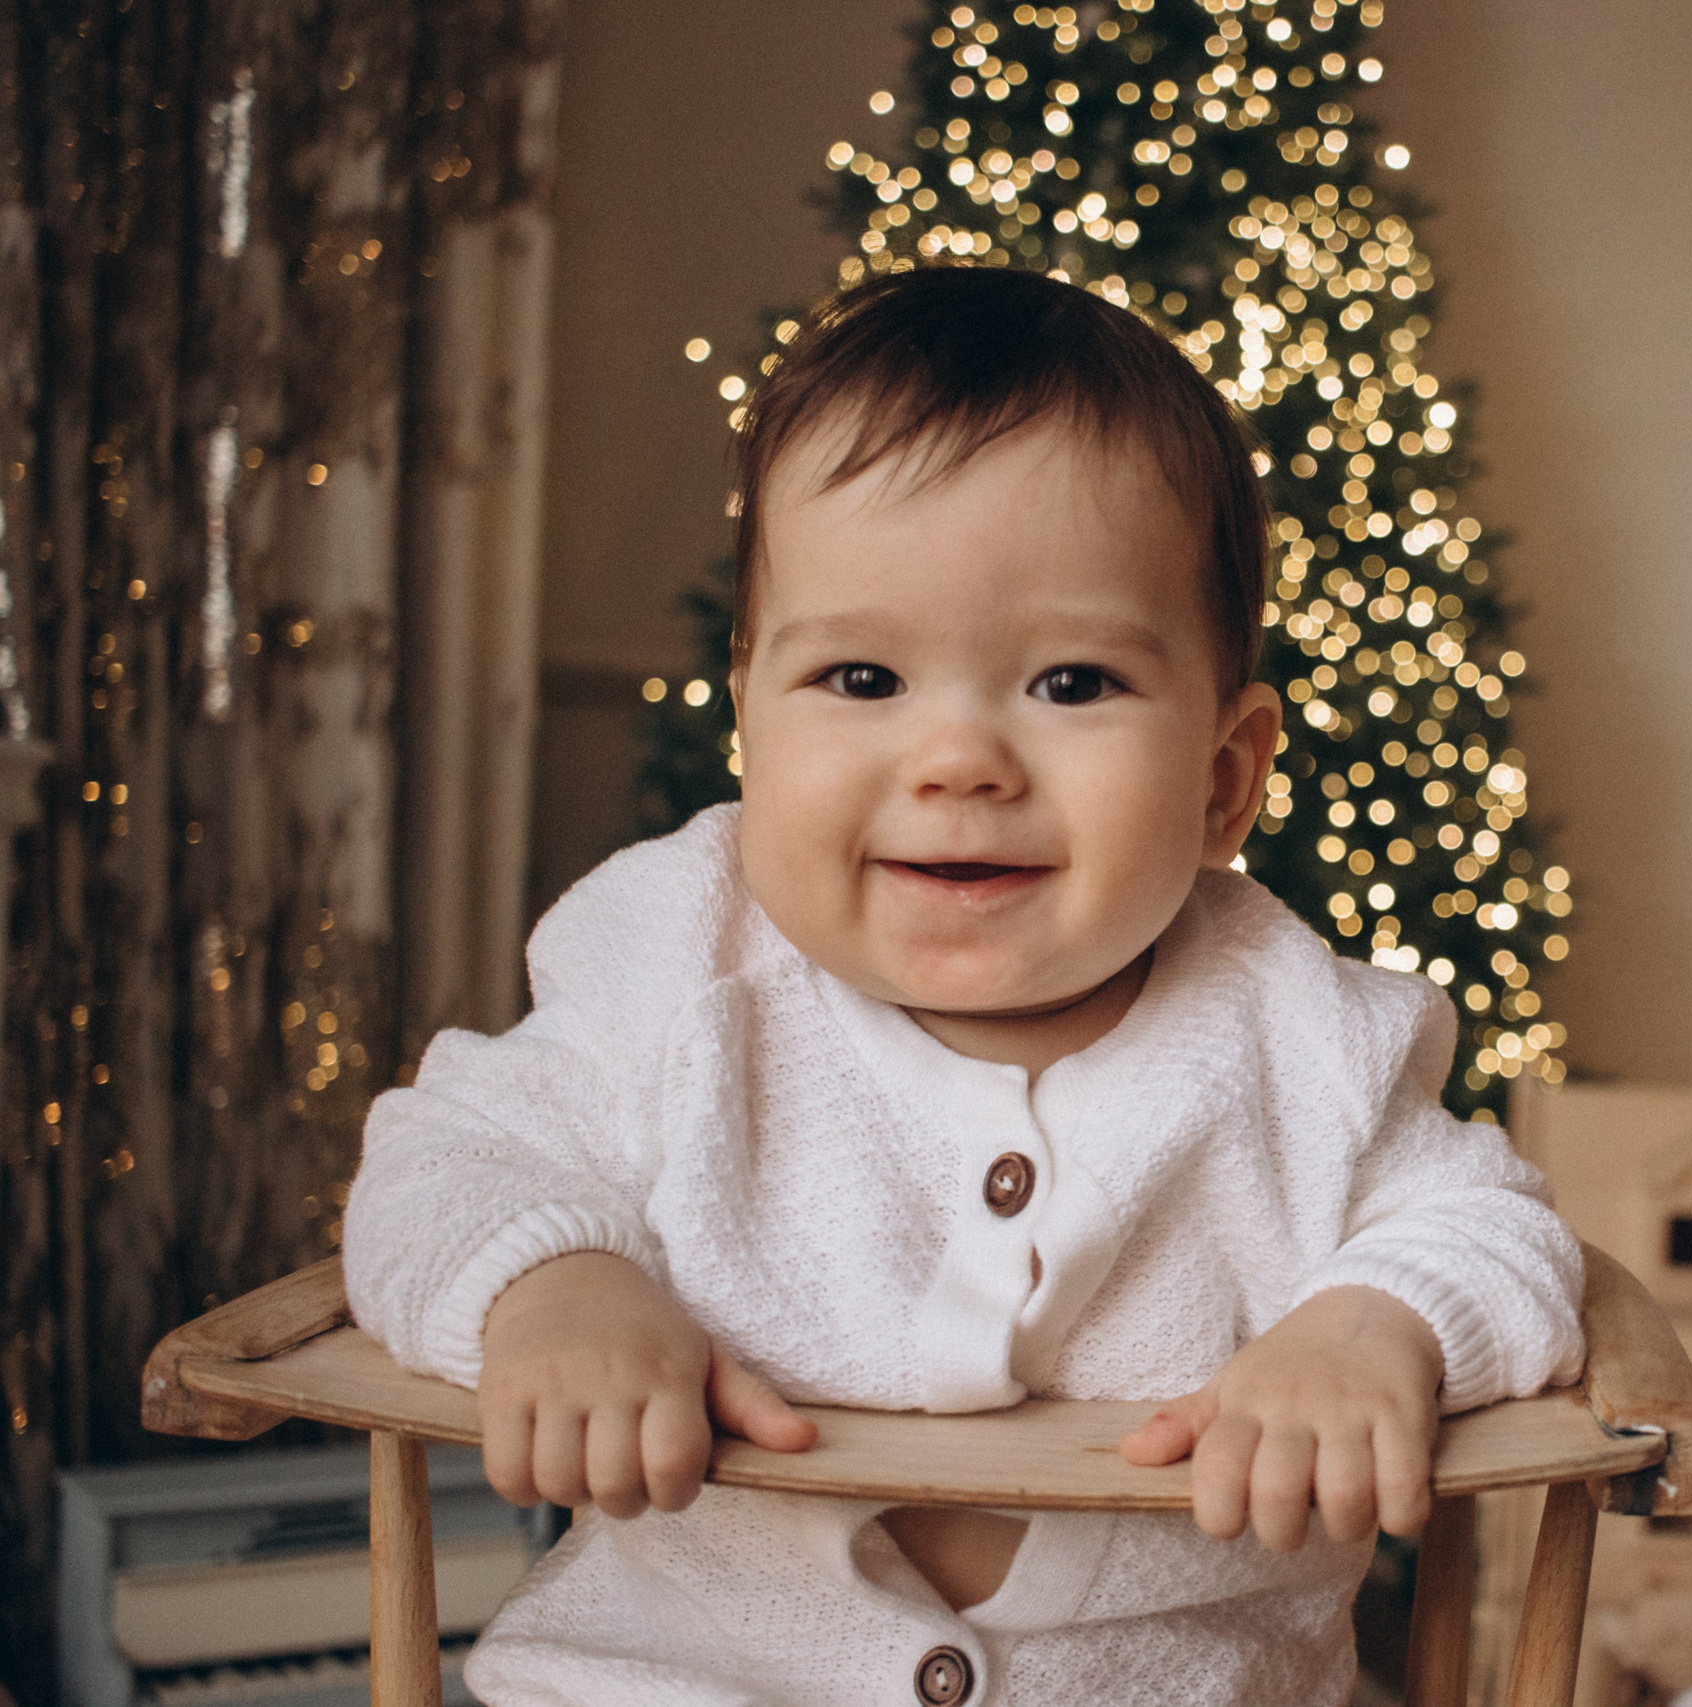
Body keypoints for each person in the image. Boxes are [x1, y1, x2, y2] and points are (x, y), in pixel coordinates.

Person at [343, 264, 1584, 1707]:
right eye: (862, 679)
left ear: (1224, 779)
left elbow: (1498, 1230)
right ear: (746, 717)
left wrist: (1375, 1324)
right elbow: (439, 1160)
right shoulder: (679, 962)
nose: (960, 761)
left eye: (1071, 684)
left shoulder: (1294, 1029)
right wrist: (554, 1282)